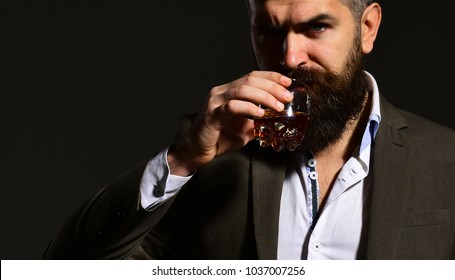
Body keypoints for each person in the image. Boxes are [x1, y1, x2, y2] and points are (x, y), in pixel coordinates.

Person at [43, 0, 455, 260]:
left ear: (367, 29)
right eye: (269, 31)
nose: (290, 56)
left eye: (316, 28)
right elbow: (65, 265)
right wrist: (181, 160)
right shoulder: (211, 158)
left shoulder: (445, 160)